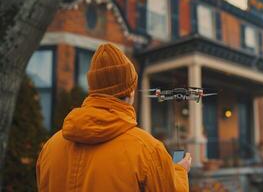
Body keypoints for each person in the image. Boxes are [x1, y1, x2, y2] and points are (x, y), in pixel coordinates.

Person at [36, 43, 192, 192]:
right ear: (131, 91)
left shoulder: (50, 148)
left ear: (93, 90)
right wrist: (179, 171)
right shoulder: (148, 150)